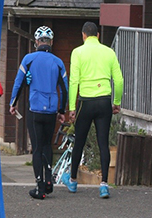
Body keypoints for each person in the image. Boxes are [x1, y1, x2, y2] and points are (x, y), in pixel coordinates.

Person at [63, 21, 124, 198]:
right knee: (103, 143)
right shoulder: (109, 52)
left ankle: (73, 181)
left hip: (85, 101)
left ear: (83, 35)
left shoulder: (77, 52)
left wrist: (72, 108)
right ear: (98, 35)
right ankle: (104, 185)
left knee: (79, 142)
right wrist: (117, 101)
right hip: (104, 101)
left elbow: (74, 81)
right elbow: (119, 80)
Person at [9, 26, 69, 199]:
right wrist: (61, 110)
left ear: (36, 42)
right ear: (51, 42)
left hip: (35, 109)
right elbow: (64, 88)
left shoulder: (29, 59)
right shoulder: (58, 62)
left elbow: (18, 83)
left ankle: (39, 187)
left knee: (36, 148)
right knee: (46, 145)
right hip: (51, 110)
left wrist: (13, 103)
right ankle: (49, 180)